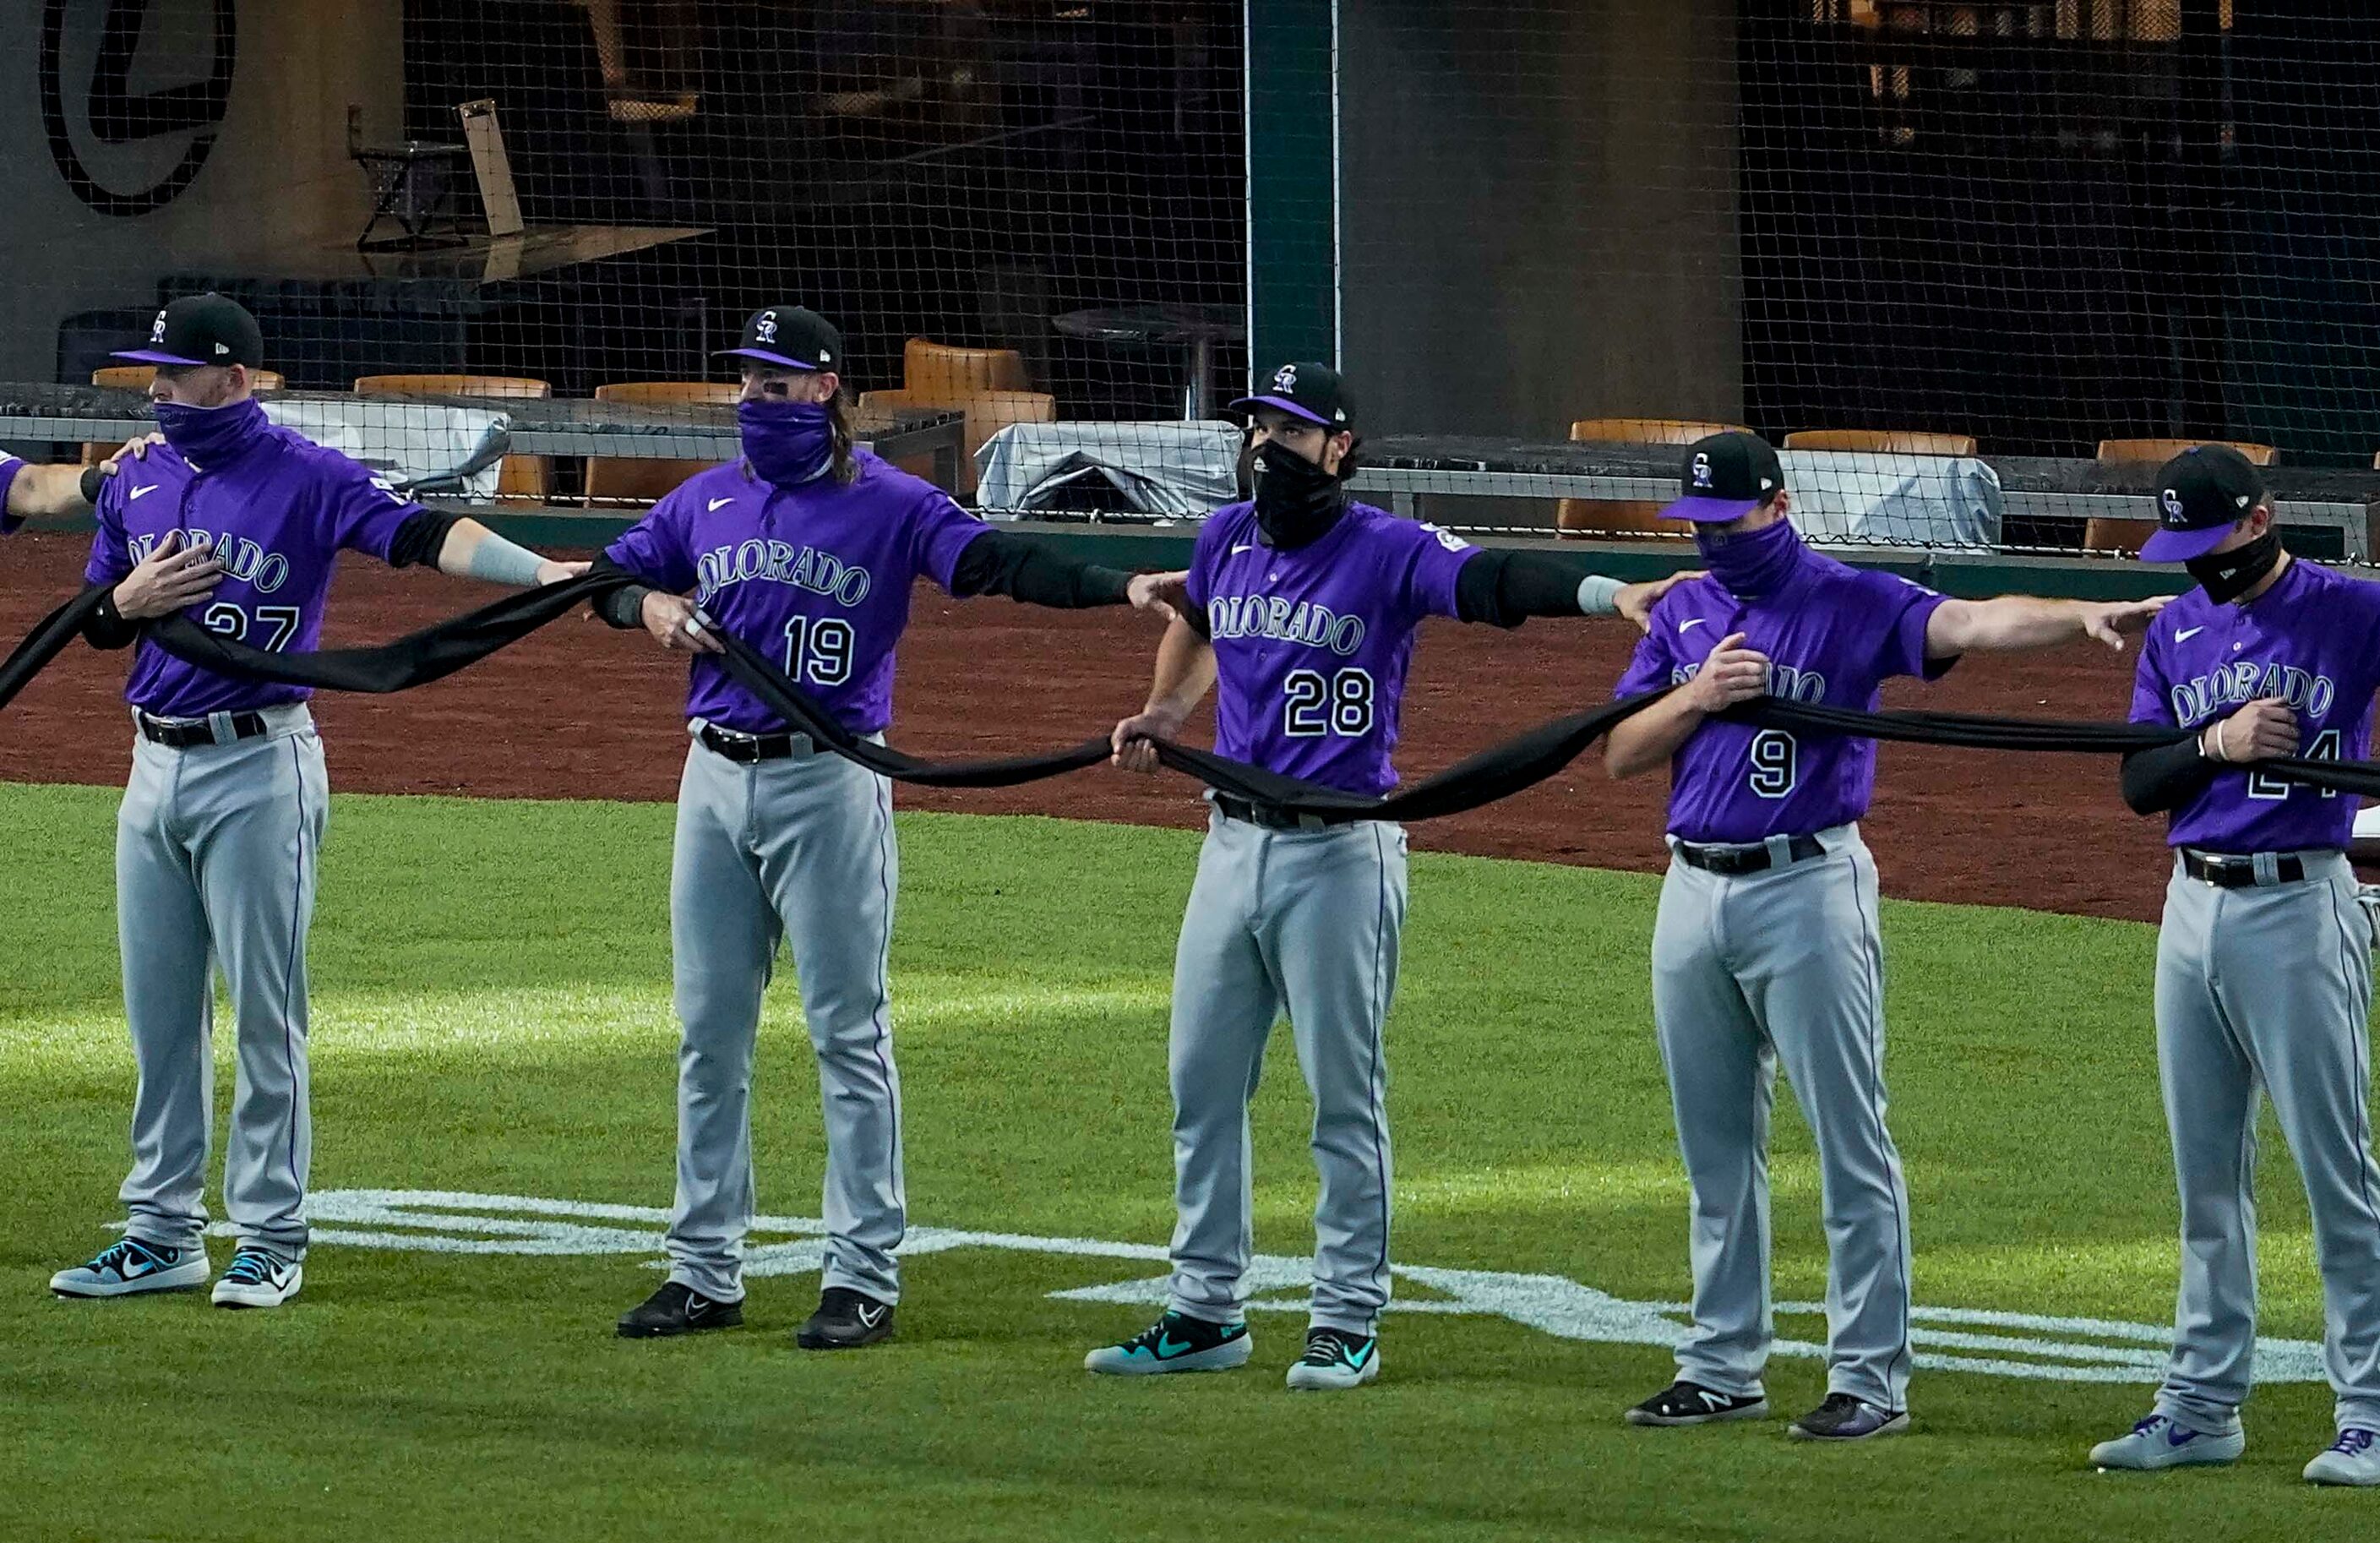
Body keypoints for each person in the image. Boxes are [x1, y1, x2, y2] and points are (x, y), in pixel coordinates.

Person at [1086, 361, 1692, 1390]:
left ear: (1339, 448)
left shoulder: (1387, 549)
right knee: (1200, 1084)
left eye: (1289, 431)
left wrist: (1609, 592)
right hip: (1229, 844)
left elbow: (1495, 582)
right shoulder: (1226, 537)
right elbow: (1197, 619)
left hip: (1341, 855)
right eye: (1258, 429)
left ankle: (1347, 1316)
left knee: (1341, 1099)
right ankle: (1204, 1310)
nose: (1268, 448)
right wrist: (1166, 713)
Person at [594, 305, 1180, 1349]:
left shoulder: (895, 504)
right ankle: (702, 1269)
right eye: (747, 383)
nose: (753, 401)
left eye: (774, 385)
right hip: (713, 778)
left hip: (830, 784)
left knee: (846, 1032)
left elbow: (1000, 564)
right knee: (707, 1033)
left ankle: (862, 1274)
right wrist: (645, 608)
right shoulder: (705, 500)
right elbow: (612, 577)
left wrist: (1116, 585)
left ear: (824, 391)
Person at [1602, 430, 2165, 1439]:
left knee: (1849, 1141)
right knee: (1714, 1150)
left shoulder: (1850, 599)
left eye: (1724, 522)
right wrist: (1697, 694)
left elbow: (1975, 620)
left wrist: (2081, 614)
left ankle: (1869, 1375)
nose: (1710, 541)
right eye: (1696, 525)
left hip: (1807, 887)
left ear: (1775, 508)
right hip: (1690, 889)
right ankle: (1722, 1364)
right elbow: (1619, 753)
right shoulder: (1684, 610)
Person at [48, 293, 585, 1309]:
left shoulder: (308, 475)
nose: (156, 391)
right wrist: (125, 603)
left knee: (264, 1015)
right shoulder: (137, 476)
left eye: (174, 374)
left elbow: (425, 537)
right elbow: (100, 624)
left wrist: (545, 572)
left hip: (260, 768)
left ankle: (270, 1233)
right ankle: (160, 1230)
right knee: (160, 1019)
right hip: (150, 766)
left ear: (236, 379)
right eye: (149, 374)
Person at [2089, 444, 2380, 1486]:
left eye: (2211, 540)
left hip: (2299, 905)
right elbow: (2138, 784)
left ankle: (2374, 1410)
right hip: (2190, 908)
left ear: (2262, 521)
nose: (2197, 562)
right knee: (2207, 1177)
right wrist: (2218, 739)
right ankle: (2203, 1405)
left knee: (2336, 1172)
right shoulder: (2175, 629)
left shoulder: (2353, 609)